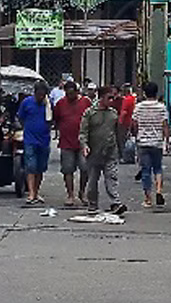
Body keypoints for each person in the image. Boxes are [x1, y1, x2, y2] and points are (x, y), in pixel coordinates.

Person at [79, 86, 125, 215]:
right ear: (101, 98)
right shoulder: (90, 113)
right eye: (109, 98)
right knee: (93, 180)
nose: (111, 100)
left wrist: (120, 148)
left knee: (111, 177)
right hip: (94, 152)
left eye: (113, 98)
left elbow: (117, 132)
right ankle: (93, 204)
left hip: (110, 151)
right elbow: (83, 132)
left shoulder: (113, 113)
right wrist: (84, 145)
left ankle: (115, 203)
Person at [52, 78, 90, 206]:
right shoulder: (60, 104)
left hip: (83, 142)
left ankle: (82, 192)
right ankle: (70, 194)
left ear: (77, 92)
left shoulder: (85, 102)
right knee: (67, 169)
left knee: (85, 168)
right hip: (66, 141)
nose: (70, 96)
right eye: (67, 94)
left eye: (72, 93)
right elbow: (56, 119)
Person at [133, 82, 168, 208]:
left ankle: (148, 198)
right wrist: (166, 140)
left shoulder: (139, 107)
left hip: (143, 142)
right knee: (157, 168)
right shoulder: (161, 107)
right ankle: (158, 191)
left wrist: (136, 135)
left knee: (145, 170)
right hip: (157, 142)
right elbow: (165, 125)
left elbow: (134, 124)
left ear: (144, 93)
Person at [16, 82, 52, 205]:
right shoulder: (27, 103)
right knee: (31, 166)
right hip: (30, 140)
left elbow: (52, 119)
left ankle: (36, 191)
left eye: (43, 95)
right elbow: (21, 117)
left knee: (40, 168)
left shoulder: (48, 104)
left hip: (44, 140)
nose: (40, 97)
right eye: (39, 95)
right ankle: (31, 193)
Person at [117, 83, 138, 164]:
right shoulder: (133, 99)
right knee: (133, 140)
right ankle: (133, 156)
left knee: (122, 140)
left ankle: (124, 157)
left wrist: (120, 122)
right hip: (132, 122)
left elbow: (124, 112)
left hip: (125, 123)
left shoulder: (126, 100)